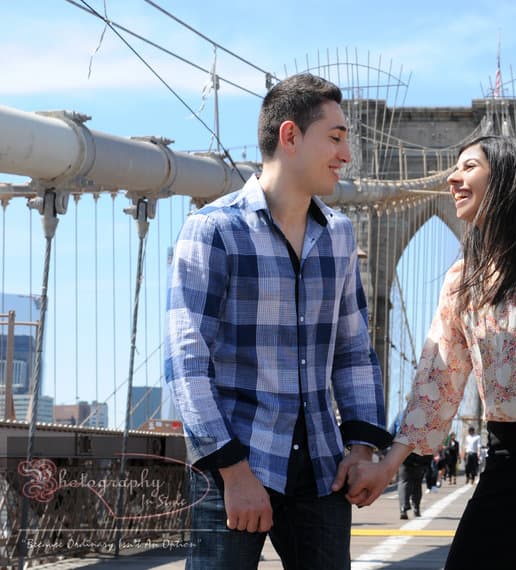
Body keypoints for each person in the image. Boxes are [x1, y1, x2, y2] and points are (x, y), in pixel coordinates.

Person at [343, 135, 516, 569]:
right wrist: (387, 465)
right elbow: (439, 376)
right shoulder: (460, 279)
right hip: (506, 451)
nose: (452, 178)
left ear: (505, 176)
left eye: (468, 167)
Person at [165, 73, 391, 570]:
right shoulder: (212, 231)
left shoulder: (338, 235)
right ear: (290, 137)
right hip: (237, 463)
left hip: (322, 468)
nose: (346, 155)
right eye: (335, 137)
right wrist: (232, 472)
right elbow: (186, 364)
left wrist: (362, 445)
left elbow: (354, 349)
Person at [398, 452, 432, 519]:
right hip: (421, 460)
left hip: (405, 458)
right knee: (417, 484)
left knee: (404, 482)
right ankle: (416, 508)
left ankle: (403, 508)